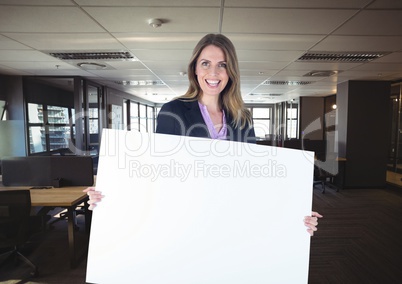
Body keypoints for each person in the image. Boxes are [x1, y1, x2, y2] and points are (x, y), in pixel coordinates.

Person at [84, 33, 322, 236]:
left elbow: (255, 176)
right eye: (206, 63)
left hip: (233, 220)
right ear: (195, 68)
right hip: (186, 220)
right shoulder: (173, 111)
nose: (214, 72)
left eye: (222, 64)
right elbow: (157, 172)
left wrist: (294, 209)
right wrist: (113, 195)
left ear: (231, 71)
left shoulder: (243, 118)